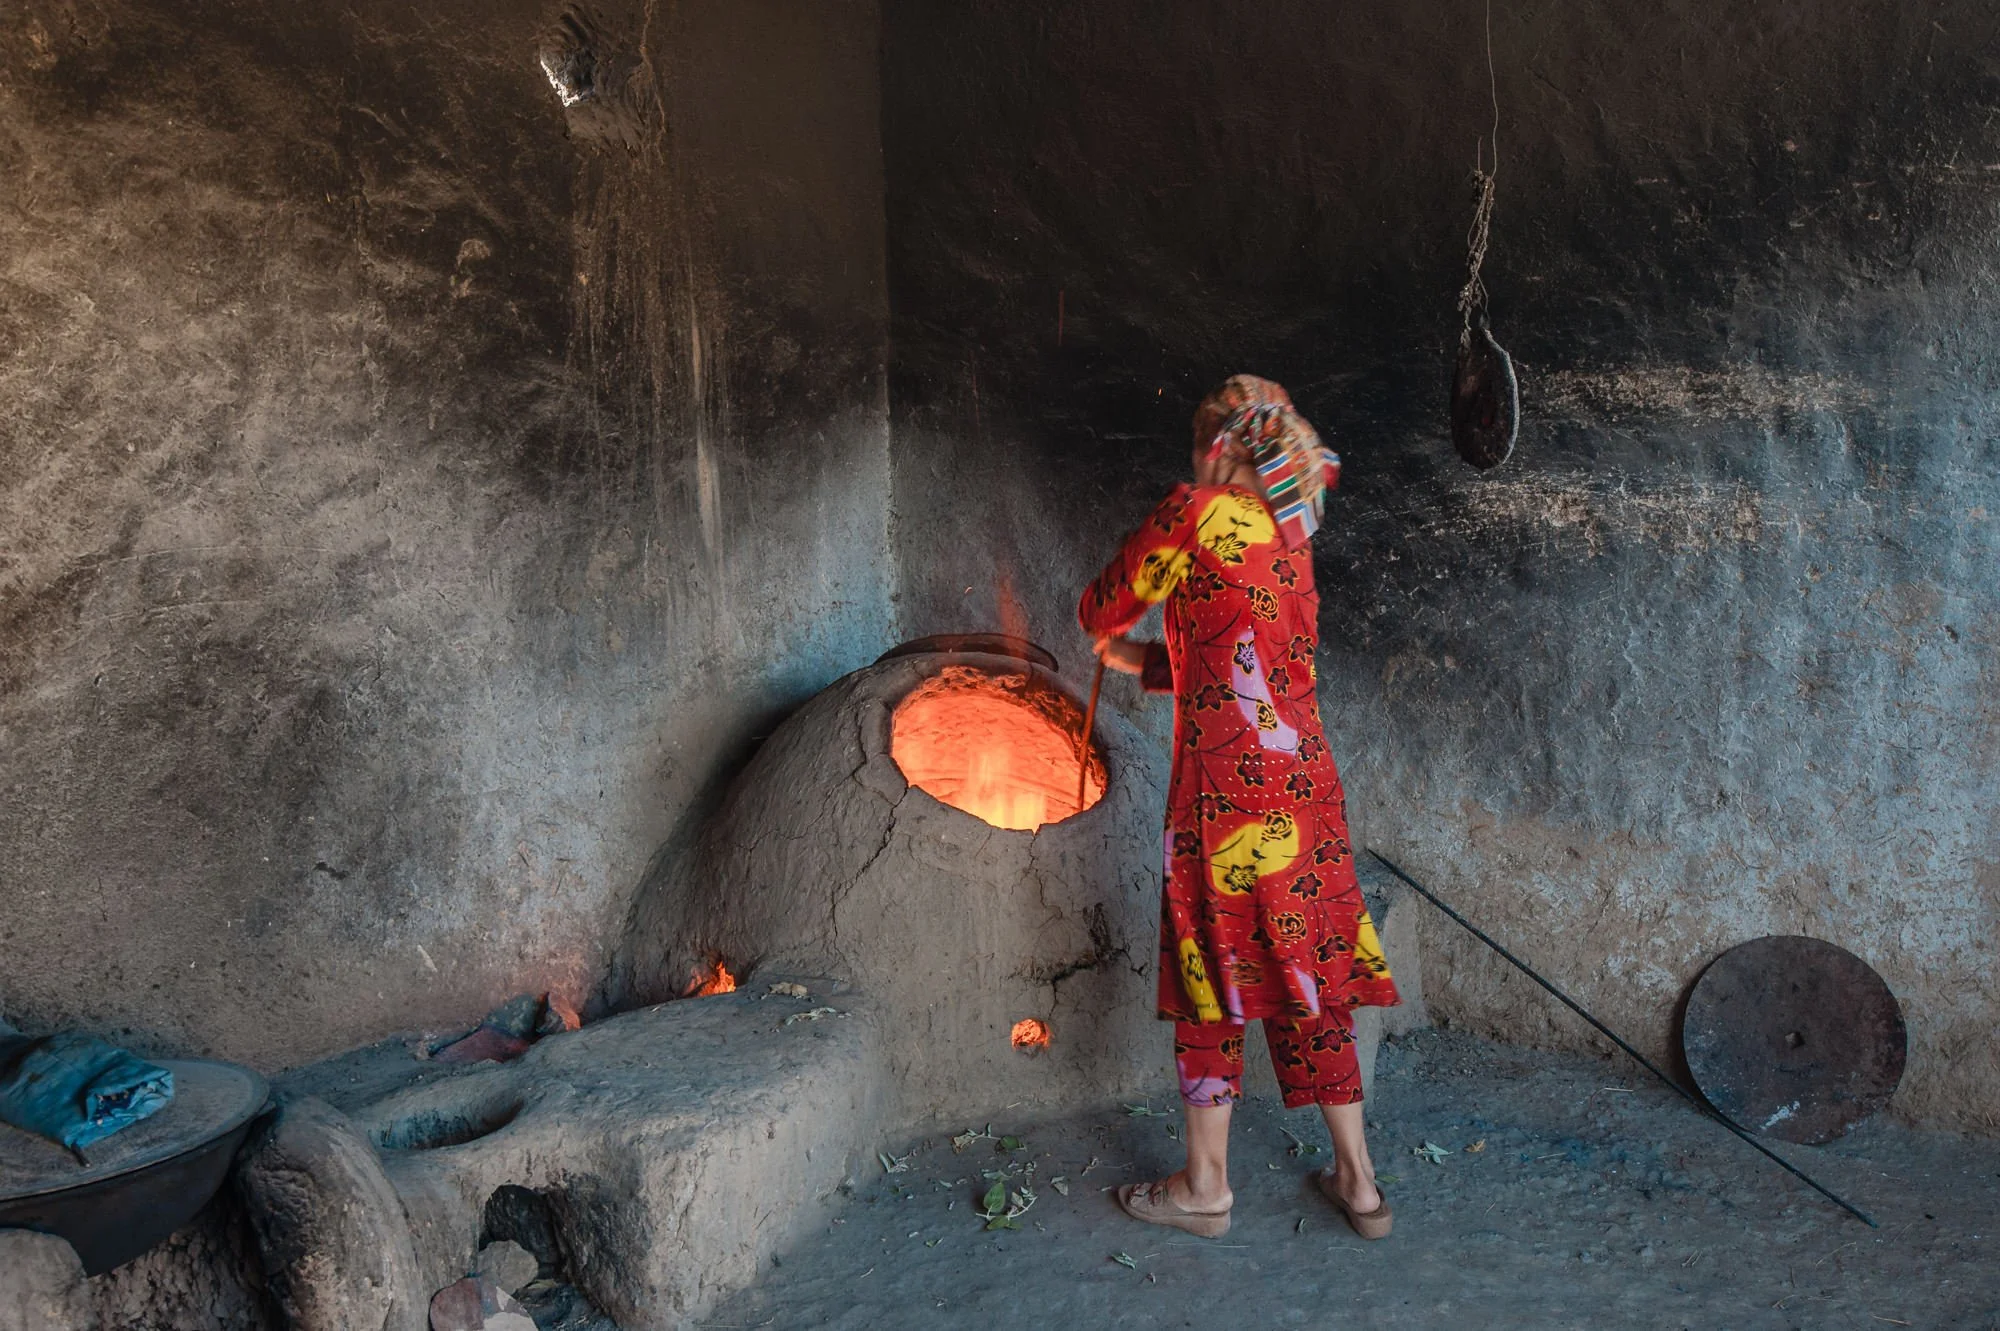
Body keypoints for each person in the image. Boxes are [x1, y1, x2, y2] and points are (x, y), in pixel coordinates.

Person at [1078, 374, 1400, 1241]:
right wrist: (1149, 665)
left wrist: (1119, 635)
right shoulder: (1295, 530)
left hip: (1223, 795)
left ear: (1218, 448)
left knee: (1210, 978)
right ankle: (1360, 1182)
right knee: (1308, 978)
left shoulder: (1194, 511)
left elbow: (1097, 605)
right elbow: (1249, 655)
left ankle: (1206, 1185)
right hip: (1307, 788)